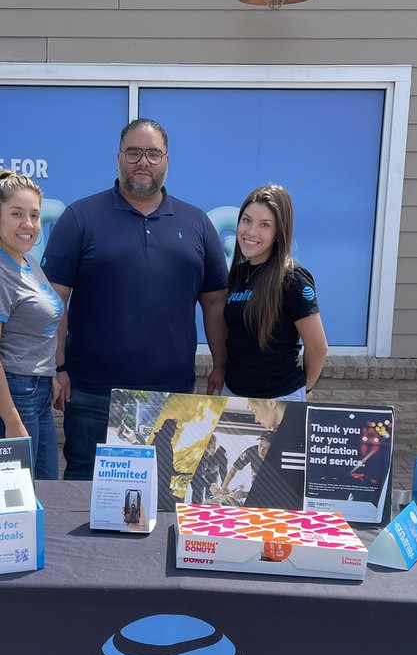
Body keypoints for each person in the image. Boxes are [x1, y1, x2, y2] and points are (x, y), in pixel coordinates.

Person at [42, 118, 230, 480]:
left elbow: (215, 305)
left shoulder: (197, 224)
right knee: (85, 498)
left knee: (165, 495)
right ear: (118, 159)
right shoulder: (80, 217)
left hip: (172, 399)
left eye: (153, 153)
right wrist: (59, 368)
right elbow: (54, 300)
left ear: (167, 161)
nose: (143, 161)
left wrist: (220, 366)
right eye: (133, 152)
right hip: (94, 397)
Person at [0, 170, 68, 480]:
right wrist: (11, 419)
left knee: (45, 489)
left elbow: (36, 330)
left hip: (36, 393)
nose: (28, 224)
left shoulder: (29, 263)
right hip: (11, 397)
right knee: (17, 499)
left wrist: (47, 372)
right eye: (17, 214)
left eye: (34, 215)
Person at [221, 184, 328, 401]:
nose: (251, 232)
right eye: (246, 220)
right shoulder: (239, 274)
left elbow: (318, 347)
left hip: (279, 399)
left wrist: (304, 390)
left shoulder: (293, 279)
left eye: (264, 225)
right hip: (233, 395)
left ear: (279, 231)